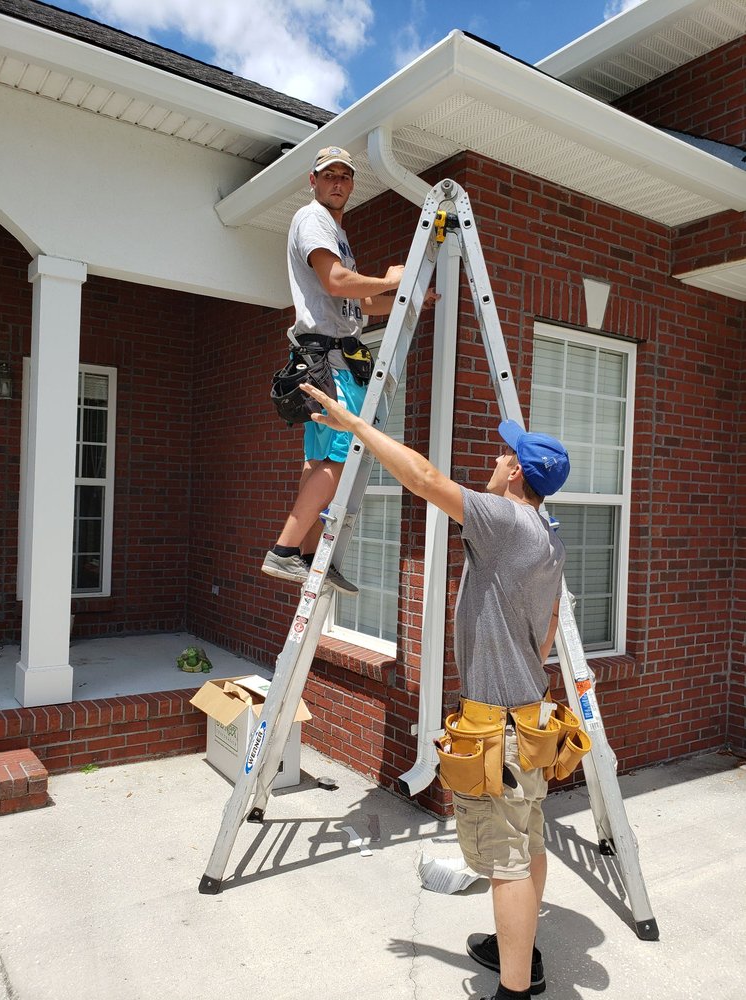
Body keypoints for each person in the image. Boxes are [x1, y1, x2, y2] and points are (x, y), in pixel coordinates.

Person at [298, 378, 570, 1000]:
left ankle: (515, 991)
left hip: (499, 725)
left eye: (507, 455)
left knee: (504, 862)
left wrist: (355, 426)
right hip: (529, 718)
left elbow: (422, 479)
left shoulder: (504, 523)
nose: (497, 457)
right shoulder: (547, 534)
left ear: (519, 474)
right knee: (527, 843)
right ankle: (516, 949)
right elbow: (549, 629)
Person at [262, 145, 438, 594]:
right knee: (343, 457)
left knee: (321, 459)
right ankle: (284, 552)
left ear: (352, 184)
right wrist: (394, 280)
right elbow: (335, 281)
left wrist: (407, 298)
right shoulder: (313, 220)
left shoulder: (337, 233)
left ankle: (304, 554)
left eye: (345, 176)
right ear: (314, 180)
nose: (337, 182)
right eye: (329, 175)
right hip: (330, 360)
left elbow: (359, 303)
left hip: (331, 357)